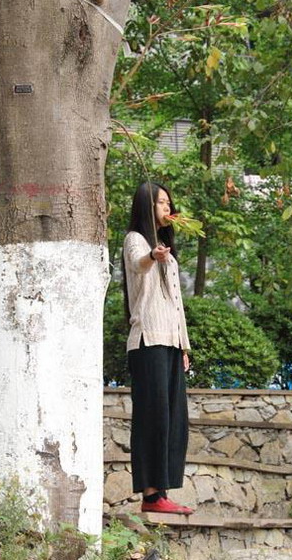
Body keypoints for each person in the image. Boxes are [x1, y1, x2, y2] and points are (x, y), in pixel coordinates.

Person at [122, 181, 194, 515]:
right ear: (147, 206)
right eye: (161, 202)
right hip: (147, 340)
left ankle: (161, 492)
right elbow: (138, 263)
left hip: (170, 342)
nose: (168, 208)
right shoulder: (136, 240)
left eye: (168, 202)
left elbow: (176, 303)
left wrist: (184, 346)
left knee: (174, 419)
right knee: (153, 418)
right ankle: (151, 496)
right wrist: (153, 256)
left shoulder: (166, 247)